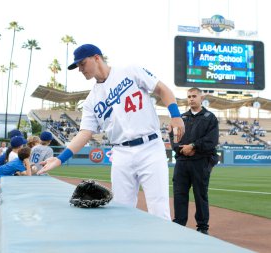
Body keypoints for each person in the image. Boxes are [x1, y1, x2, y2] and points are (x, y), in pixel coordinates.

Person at [38, 44, 185, 220]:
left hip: (150, 147)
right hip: (121, 153)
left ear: (96, 58)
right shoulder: (91, 100)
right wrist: (60, 158)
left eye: (82, 63)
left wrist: (175, 115)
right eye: (78, 66)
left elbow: (162, 89)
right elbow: (85, 133)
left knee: (159, 210)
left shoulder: (130, 71)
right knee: (121, 211)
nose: (80, 69)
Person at [170, 87, 219, 234]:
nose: (191, 99)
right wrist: (181, 149)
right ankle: (179, 225)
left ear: (201, 98)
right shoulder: (181, 118)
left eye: (194, 96)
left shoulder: (210, 117)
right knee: (179, 194)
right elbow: (173, 139)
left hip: (200, 162)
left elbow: (212, 140)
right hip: (182, 163)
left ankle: (202, 228)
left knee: (200, 195)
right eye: (189, 96)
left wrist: (193, 146)